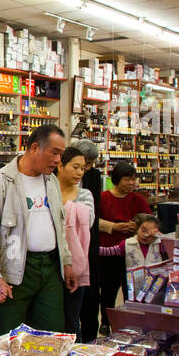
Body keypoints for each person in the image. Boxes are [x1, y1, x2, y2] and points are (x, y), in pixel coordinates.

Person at [0, 124, 77, 336]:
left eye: (61, 153)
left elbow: (60, 225)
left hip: (50, 269)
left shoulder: (51, 181)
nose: (58, 160)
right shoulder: (2, 182)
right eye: (54, 152)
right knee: (7, 338)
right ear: (34, 148)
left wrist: (66, 261)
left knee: (52, 336)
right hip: (14, 272)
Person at [98, 161, 152, 332]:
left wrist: (137, 228)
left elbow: (150, 223)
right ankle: (106, 323)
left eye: (133, 179)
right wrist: (114, 227)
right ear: (117, 179)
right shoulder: (103, 198)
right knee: (108, 291)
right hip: (108, 254)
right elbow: (93, 222)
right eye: (127, 179)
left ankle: (131, 323)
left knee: (132, 291)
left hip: (133, 254)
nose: (131, 183)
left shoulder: (138, 200)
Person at [57, 147, 94, 337]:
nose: (80, 172)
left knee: (72, 320)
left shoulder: (85, 195)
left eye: (83, 168)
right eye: (75, 167)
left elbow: (89, 222)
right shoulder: (49, 190)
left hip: (77, 265)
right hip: (53, 263)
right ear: (61, 165)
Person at [73, 138, 104, 340]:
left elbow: (95, 212)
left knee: (92, 296)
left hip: (89, 241)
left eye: (90, 164)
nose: (87, 168)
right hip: (70, 242)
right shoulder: (57, 176)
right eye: (85, 163)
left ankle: (91, 340)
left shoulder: (94, 176)